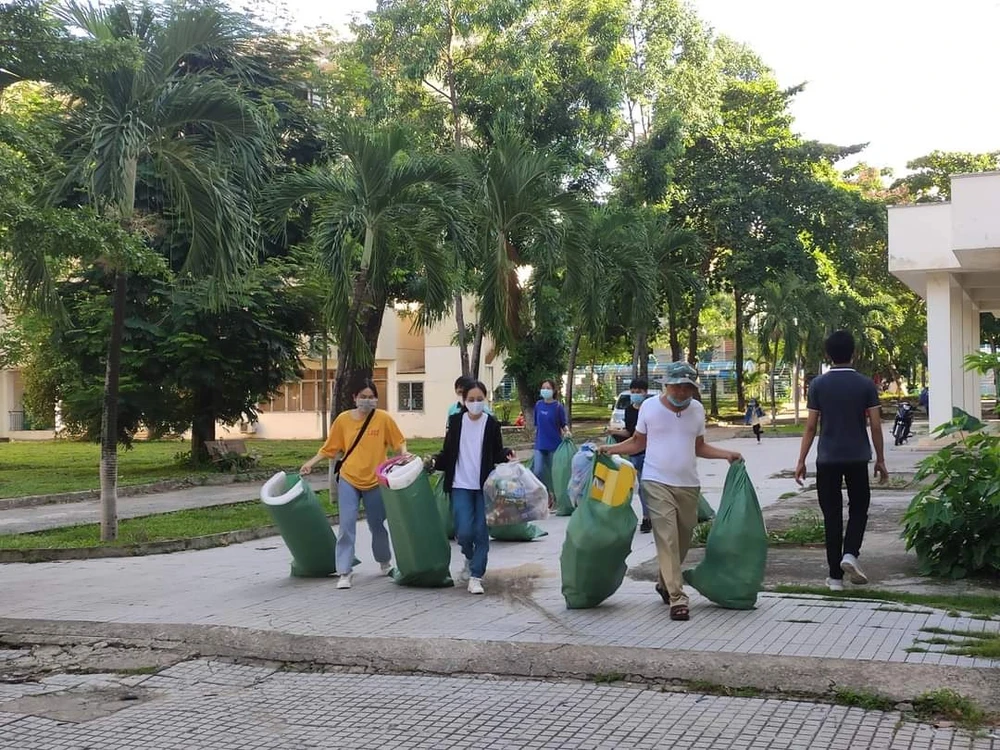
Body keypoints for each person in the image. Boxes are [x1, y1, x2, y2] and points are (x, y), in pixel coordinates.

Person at [599, 362, 742, 622]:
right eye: (677, 387)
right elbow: (637, 443)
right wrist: (610, 450)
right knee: (667, 537)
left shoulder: (697, 410)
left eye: (687, 388)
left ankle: (664, 583)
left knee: (683, 539)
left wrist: (726, 455)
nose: (681, 393)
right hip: (655, 481)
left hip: (688, 484)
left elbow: (699, 446)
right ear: (667, 385)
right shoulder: (649, 408)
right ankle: (677, 598)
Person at [794, 331, 888, 592]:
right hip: (857, 457)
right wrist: (880, 459)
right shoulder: (866, 385)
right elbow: (876, 426)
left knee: (831, 515)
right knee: (859, 508)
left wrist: (801, 460)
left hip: (827, 459)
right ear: (854, 353)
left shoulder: (818, 386)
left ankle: (835, 578)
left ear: (827, 355)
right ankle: (850, 554)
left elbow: (811, 427)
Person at [300, 379, 407, 590]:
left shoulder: (383, 419)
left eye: (371, 397)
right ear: (354, 398)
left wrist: (404, 454)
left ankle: (384, 562)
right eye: (363, 397)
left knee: (377, 524)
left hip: (375, 481)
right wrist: (310, 463)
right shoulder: (343, 420)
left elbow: (399, 442)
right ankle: (344, 571)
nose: (367, 401)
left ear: (376, 399)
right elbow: (330, 447)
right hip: (349, 478)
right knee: (346, 526)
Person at [428, 380, 514, 595]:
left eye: (479, 400)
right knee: (464, 531)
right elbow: (447, 453)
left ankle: (476, 575)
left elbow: (496, 452)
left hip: (483, 486)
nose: (475, 404)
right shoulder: (456, 422)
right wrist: (433, 462)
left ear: (485, 400)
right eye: (471, 400)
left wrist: (507, 455)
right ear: (463, 401)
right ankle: (468, 556)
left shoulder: (492, 424)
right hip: (460, 484)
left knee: (480, 531)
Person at [609, 377, 652, 533]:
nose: (635, 395)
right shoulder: (629, 410)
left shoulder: (650, 409)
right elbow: (630, 433)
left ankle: (651, 517)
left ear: (645, 393)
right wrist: (613, 432)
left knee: (648, 487)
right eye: (633, 392)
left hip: (650, 453)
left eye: (638, 392)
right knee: (640, 487)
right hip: (635, 452)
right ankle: (647, 517)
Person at [532, 378, 571, 501]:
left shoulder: (558, 407)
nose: (545, 390)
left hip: (554, 445)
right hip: (540, 445)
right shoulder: (538, 405)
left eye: (548, 388)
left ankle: (556, 497)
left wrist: (567, 431)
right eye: (543, 388)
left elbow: (563, 424)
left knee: (554, 474)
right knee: (537, 471)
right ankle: (545, 494)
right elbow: (536, 425)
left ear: (554, 390)